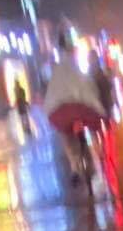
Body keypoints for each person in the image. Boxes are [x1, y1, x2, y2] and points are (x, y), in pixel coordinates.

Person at [40, 34, 106, 177]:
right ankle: (99, 150)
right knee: (93, 124)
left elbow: (52, 87)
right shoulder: (75, 63)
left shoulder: (57, 68)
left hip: (62, 107)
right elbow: (86, 83)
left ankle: (74, 166)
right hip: (81, 105)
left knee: (66, 134)